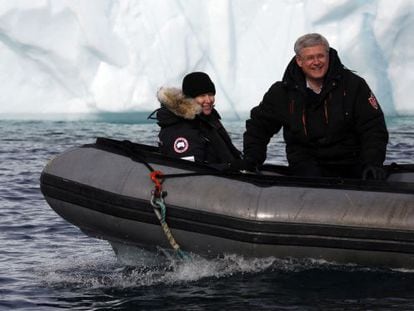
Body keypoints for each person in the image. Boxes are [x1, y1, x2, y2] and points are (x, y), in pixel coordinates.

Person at [238, 33, 389, 179]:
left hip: (350, 162)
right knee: (310, 175)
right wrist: (252, 159)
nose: (316, 62)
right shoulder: (282, 92)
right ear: (299, 61)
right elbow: (258, 127)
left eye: (320, 56)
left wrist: (373, 162)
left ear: (328, 56)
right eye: (310, 57)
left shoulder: (354, 85)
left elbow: (373, 127)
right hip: (306, 166)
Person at [153, 71, 241, 166]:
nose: (208, 100)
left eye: (211, 94)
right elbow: (190, 171)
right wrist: (228, 168)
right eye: (202, 95)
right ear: (189, 98)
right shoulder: (181, 129)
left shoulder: (207, 119)